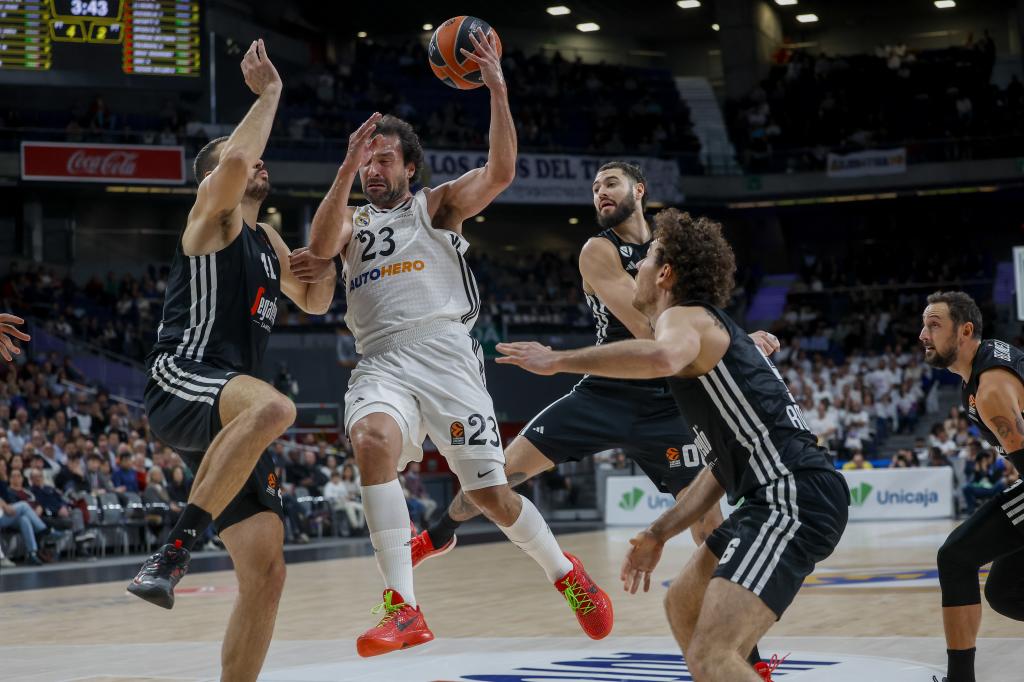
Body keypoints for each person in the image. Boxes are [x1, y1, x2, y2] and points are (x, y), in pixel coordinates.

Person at [302, 26, 611, 657]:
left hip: (445, 355)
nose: (372, 168)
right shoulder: (351, 220)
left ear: (409, 167)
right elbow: (319, 247)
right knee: (370, 442)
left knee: (492, 497)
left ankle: (567, 574)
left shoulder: (435, 206)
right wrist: (343, 167)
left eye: (384, 158)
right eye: (366, 159)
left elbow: (501, 171)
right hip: (380, 360)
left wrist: (496, 88)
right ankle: (404, 607)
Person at [496, 208, 849, 682]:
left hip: (792, 495)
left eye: (641, 264)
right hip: (767, 494)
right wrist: (660, 532)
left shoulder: (684, 318)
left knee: (712, 655)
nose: (633, 269)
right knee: (682, 605)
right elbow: (722, 469)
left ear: (664, 273)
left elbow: (660, 355)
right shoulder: (706, 333)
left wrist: (558, 360)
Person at [414, 163, 778, 594]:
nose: (599, 193)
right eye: (594, 187)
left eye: (610, 183)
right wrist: (730, 340)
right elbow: (648, 329)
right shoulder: (597, 250)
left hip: (668, 401)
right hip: (606, 389)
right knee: (497, 475)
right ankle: (438, 533)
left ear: (639, 190)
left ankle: (735, 637)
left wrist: (732, 336)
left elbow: (692, 316)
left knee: (708, 522)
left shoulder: (671, 250)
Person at [124, 40, 337, 682]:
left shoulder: (270, 240)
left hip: (228, 415)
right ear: (213, 180)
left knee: (267, 568)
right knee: (277, 404)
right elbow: (239, 156)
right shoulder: (211, 220)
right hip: (182, 379)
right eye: (241, 162)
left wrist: (324, 266)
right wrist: (268, 95)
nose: (257, 163)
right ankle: (172, 554)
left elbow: (319, 301)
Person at [918, 291, 1024, 682]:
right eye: (924, 324)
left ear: (965, 331)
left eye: (933, 325)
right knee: (1005, 591)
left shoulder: (991, 390)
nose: (922, 334)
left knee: (956, 556)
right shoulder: (984, 365)